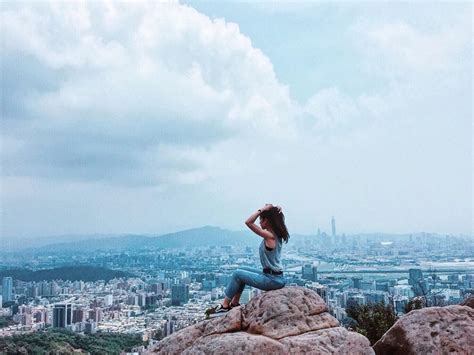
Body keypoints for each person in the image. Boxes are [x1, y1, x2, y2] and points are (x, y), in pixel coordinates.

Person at [205, 203, 290, 318]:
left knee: (237, 274)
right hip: (273, 276)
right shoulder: (276, 234)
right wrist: (275, 209)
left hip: (272, 280)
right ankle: (234, 304)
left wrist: (261, 209)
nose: (259, 223)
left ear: (268, 221)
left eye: (261, 220)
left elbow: (248, 222)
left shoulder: (269, 235)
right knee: (241, 270)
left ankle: (224, 307)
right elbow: (272, 214)